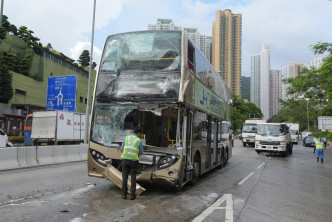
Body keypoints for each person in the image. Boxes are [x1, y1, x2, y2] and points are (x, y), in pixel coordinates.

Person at [120, 126, 144, 200]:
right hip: (133, 161)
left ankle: (124, 195)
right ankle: (132, 196)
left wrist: (126, 153)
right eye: (140, 134)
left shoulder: (127, 138)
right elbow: (141, 152)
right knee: (133, 178)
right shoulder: (139, 140)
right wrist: (135, 154)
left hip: (124, 160)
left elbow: (121, 149)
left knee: (125, 178)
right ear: (139, 133)